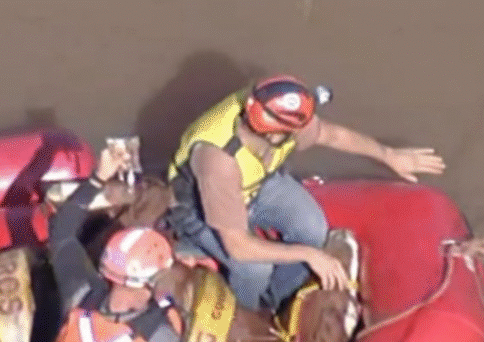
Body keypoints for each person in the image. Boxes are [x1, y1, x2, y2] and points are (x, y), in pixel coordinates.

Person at [6, 146, 277, 342]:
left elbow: (62, 230)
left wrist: (98, 178)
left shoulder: (77, 289)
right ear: (152, 280)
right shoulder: (162, 340)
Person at [165, 74, 445, 312]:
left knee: (312, 226)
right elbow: (238, 246)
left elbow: (333, 136)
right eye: (294, 130)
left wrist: (389, 155)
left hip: (258, 183)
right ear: (274, 134)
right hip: (198, 206)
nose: (305, 130)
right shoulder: (218, 161)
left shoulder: (277, 111)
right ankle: (246, 314)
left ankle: (276, 302)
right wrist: (311, 256)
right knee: (254, 269)